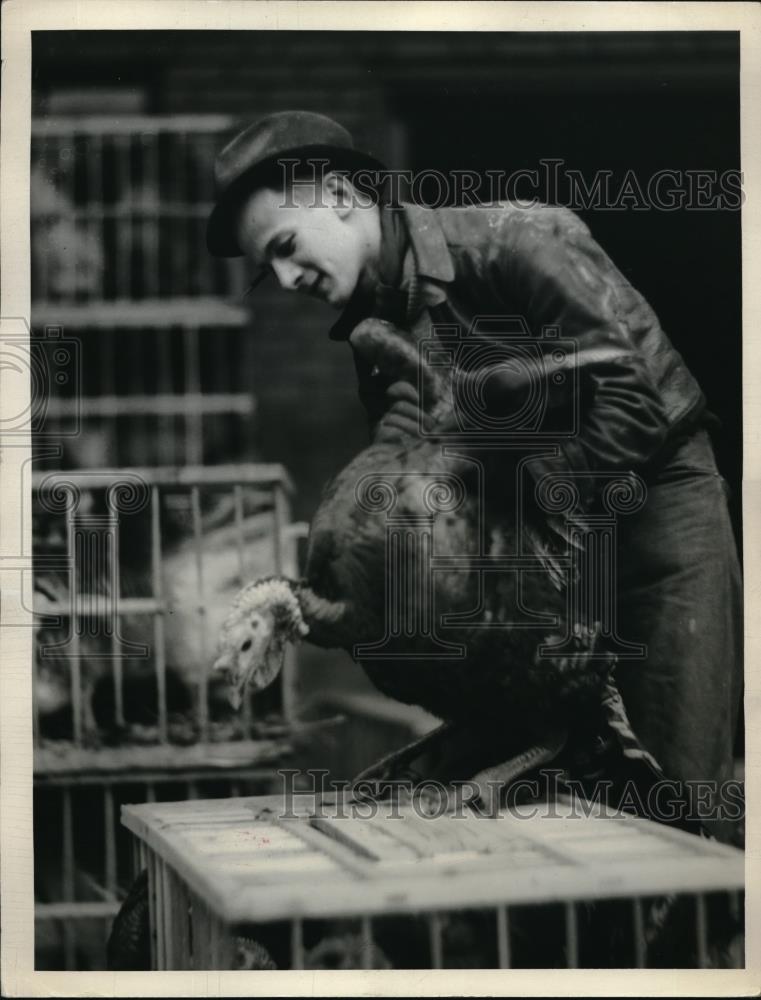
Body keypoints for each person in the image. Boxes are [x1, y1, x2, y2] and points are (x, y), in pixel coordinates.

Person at [207, 111, 743, 842]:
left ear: (336, 194)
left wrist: (523, 510)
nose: (285, 278)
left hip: (653, 516)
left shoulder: (518, 236)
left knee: (671, 808)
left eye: (284, 248)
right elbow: (406, 486)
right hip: (538, 558)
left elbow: (629, 401)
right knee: (568, 803)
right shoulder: (376, 333)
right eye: (267, 268)